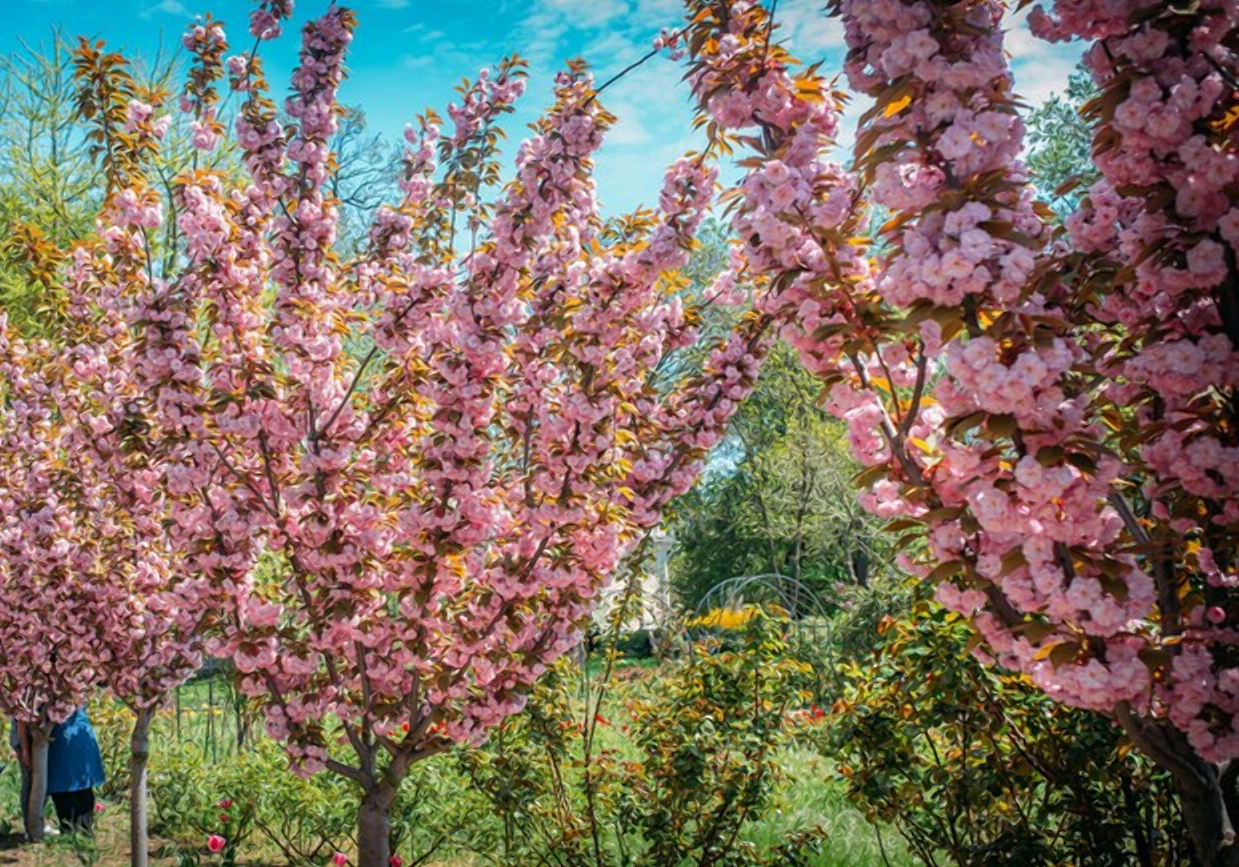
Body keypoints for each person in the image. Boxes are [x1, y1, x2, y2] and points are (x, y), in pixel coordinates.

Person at [11, 707, 106, 835]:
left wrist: (25, 749)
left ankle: (72, 831)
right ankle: (80, 831)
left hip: (63, 742)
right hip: (77, 739)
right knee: (80, 789)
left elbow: (22, 720)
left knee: (67, 789)